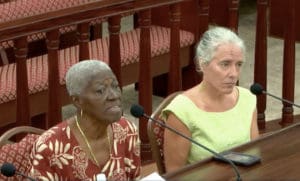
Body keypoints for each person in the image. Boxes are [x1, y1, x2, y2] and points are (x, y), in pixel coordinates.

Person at [161, 26, 259, 172]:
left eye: (238, 64)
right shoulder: (182, 111)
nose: (234, 73)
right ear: (203, 64)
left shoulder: (247, 99)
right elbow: (175, 173)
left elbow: (254, 156)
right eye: (225, 64)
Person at [29, 60, 141, 180]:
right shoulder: (49, 147)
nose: (114, 96)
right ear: (77, 101)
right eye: (100, 91)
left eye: (115, 86)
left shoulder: (126, 130)